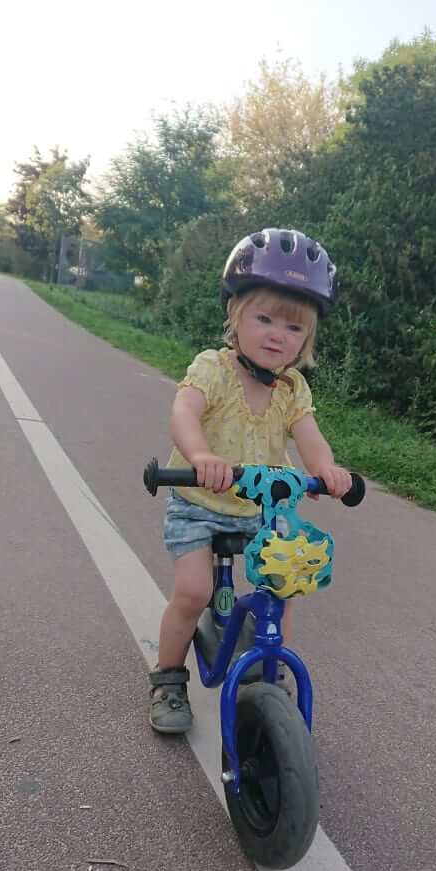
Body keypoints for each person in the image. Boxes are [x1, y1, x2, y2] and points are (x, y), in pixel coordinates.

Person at [149, 228, 353, 733]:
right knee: (194, 592)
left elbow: (309, 438)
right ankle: (168, 678)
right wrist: (199, 454)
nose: (276, 334)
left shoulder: (292, 388)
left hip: (260, 509)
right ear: (235, 315)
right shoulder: (211, 369)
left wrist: (326, 469)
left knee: (281, 589)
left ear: (307, 340)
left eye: (293, 327)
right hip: (199, 501)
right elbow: (184, 411)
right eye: (263, 318)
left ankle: (267, 670)